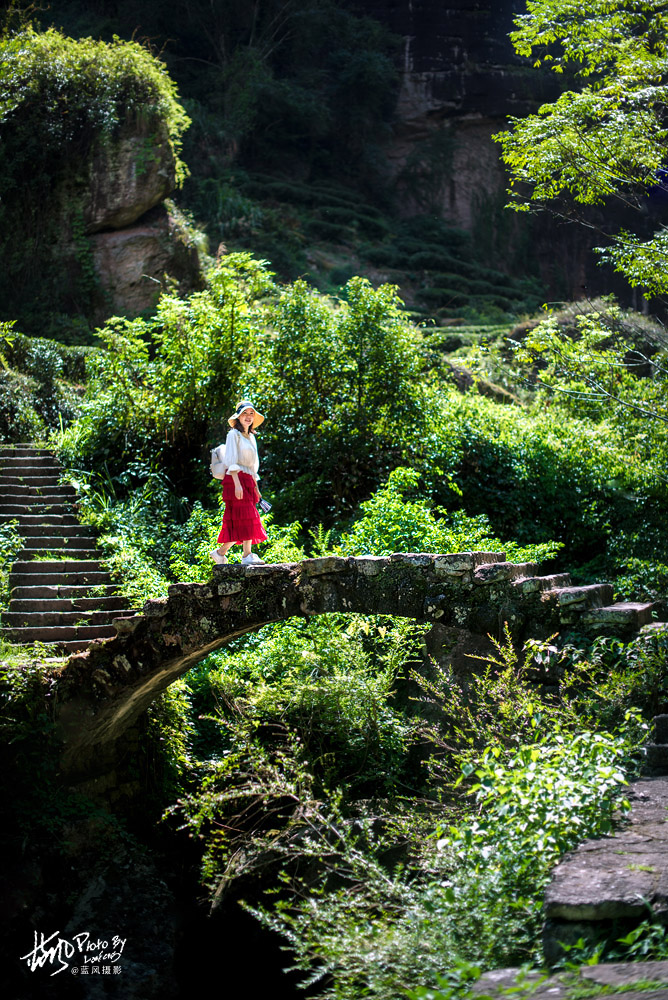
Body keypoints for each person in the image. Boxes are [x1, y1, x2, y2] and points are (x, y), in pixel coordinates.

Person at [210, 401, 267, 566]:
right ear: (238, 416)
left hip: (248, 480)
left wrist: (256, 487)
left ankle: (221, 553)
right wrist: (236, 483)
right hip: (236, 479)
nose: (248, 417)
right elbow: (231, 460)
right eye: (245, 413)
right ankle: (246, 555)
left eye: (251, 414)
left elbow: (252, 465)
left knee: (245, 518)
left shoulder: (251, 437)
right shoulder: (233, 434)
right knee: (245, 515)